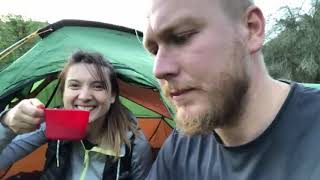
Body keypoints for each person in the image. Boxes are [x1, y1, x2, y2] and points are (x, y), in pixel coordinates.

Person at [143, 0, 320, 179]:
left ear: (251, 29)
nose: (158, 70)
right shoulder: (180, 149)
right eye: (154, 50)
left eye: (181, 37)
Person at [0, 51, 153, 180]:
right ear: (63, 93)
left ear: (112, 95)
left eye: (98, 86)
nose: (84, 96)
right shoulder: (53, 124)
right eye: (74, 85)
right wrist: (7, 123)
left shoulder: (134, 143)